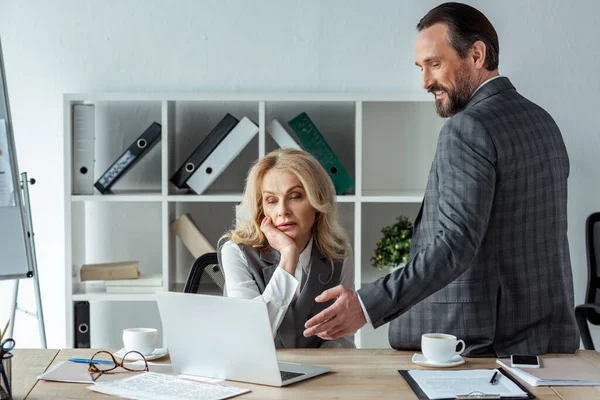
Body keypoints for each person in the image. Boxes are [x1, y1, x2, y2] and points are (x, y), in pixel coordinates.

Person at [303, 2, 580, 357]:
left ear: (477, 54)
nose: (425, 82)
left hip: (479, 347)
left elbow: (455, 243)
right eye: (421, 67)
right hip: (547, 340)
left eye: (435, 64)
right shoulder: (542, 122)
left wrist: (366, 305)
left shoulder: (468, 127)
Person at [218, 148, 355, 348]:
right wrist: (288, 256)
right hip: (254, 371)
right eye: (271, 201)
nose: (282, 211)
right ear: (261, 208)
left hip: (318, 372)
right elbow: (250, 335)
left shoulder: (338, 252)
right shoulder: (235, 252)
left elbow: (341, 337)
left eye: (295, 196)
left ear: (317, 201)